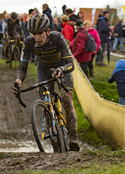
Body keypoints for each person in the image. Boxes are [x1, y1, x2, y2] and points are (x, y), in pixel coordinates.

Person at [12, 13, 80, 151]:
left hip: (62, 67)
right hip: (44, 69)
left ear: (47, 31)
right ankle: (55, 143)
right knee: (46, 103)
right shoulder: (28, 42)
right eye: (33, 34)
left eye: (40, 33)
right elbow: (22, 68)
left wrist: (61, 69)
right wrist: (18, 81)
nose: (37, 37)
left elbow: (70, 63)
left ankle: (73, 137)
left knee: (66, 99)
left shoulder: (57, 38)